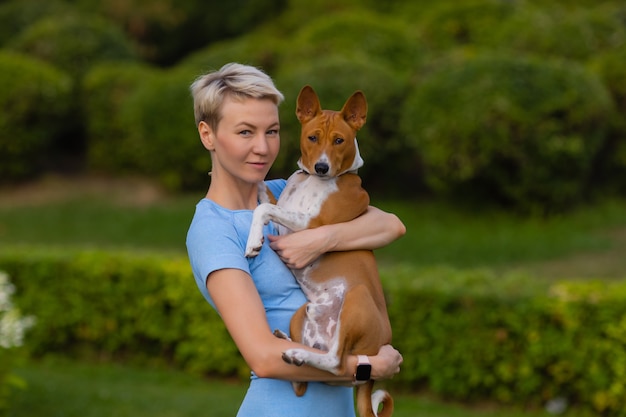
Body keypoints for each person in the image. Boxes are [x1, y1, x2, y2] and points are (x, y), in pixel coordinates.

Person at [186, 62, 405, 417]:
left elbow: (390, 225)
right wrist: (368, 367)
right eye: (245, 132)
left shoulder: (285, 193)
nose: (262, 147)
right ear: (208, 135)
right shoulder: (214, 228)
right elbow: (264, 357)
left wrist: (323, 239)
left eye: (271, 131)